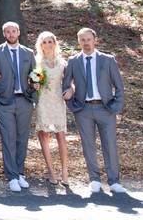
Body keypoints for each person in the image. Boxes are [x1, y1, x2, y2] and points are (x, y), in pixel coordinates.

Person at [62, 27, 127, 194]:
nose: (86, 43)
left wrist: (116, 106)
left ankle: (114, 181)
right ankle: (94, 179)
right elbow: (66, 85)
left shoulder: (108, 60)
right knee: (88, 145)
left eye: (88, 39)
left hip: (106, 109)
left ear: (95, 40)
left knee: (110, 145)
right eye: (82, 40)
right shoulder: (73, 61)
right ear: (78, 42)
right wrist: (72, 103)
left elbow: (119, 86)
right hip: (83, 110)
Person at [0, 21, 36, 192]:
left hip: (25, 101)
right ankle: (11, 176)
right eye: (8, 32)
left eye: (14, 31)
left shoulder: (28, 53)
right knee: (8, 139)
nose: (11, 34)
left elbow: (35, 76)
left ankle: (20, 173)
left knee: (22, 138)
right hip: (4, 102)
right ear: (4, 34)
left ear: (18, 32)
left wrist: (34, 98)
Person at [33, 31, 69, 187]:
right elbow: (32, 80)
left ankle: (65, 172)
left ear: (55, 43)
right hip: (43, 100)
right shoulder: (36, 62)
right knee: (44, 135)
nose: (47, 45)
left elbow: (68, 82)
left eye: (50, 41)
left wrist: (71, 89)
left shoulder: (62, 62)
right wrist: (33, 84)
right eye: (44, 42)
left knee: (61, 135)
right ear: (40, 45)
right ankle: (51, 172)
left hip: (58, 101)